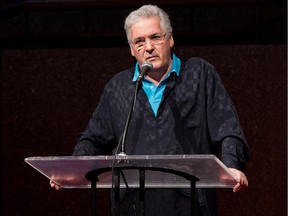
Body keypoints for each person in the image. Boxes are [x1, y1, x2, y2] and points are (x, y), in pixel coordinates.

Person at [51, 4, 249, 216]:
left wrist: (232, 165)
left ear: (170, 39)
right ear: (131, 50)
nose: (149, 47)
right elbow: (93, 138)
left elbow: (228, 128)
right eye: (139, 41)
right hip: (133, 206)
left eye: (155, 37)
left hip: (189, 204)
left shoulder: (199, 74)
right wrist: (73, 167)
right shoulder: (118, 87)